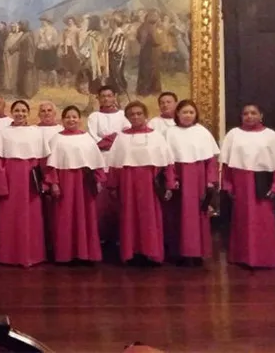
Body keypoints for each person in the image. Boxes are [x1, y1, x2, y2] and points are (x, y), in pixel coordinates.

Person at [220, 103, 275, 268]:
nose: (249, 116)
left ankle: (264, 258)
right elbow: (227, 165)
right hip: (240, 183)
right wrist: (228, 185)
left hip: (262, 182)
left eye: (253, 113)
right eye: (245, 113)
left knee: (263, 222)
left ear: (261, 115)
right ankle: (241, 257)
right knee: (241, 221)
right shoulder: (233, 135)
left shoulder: (271, 136)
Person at [105, 101, 174, 265]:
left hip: (151, 184)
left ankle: (151, 253)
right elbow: (115, 164)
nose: (135, 117)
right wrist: (113, 186)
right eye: (132, 114)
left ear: (145, 115)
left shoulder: (156, 136)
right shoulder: (121, 138)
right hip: (128, 183)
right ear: (127, 117)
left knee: (150, 218)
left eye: (139, 113)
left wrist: (170, 184)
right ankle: (131, 253)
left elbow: (167, 162)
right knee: (129, 217)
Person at [44, 105, 106, 264]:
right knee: (65, 217)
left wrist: (99, 180)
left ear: (79, 119)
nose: (71, 120)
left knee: (86, 217)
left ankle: (86, 254)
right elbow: (50, 165)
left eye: (74, 117)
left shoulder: (87, 138)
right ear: (62, 120)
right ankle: (65, 255)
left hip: (85, 182)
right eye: (68, 117)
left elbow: (97, 162)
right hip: (65, 182)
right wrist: (54, 183)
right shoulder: (56, 139)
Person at [0, 100, 48, 267]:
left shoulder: (36, 132)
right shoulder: (2, 133)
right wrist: (1, 185)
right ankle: (8, 256)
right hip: (10, 180)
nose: (20, 114)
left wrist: (45, 182)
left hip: (30, 180)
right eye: (17, 110)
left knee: (31, 218)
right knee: (9, 219)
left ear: (28, 113)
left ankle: (32, 255)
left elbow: (43, 160)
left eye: (23, 111)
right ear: (12, 112)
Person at [164, 100, 220, 265]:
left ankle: (197, 253)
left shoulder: (202, 132)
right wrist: (171, 179)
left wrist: (211, 181)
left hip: (198, 178)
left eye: (191, 112)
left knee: (198, 216)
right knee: (178, 216)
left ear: (196, 115)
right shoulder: (170, 133)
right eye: (184, 112)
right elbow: (168, 161)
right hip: (179, 178)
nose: (188, 116)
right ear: (177, 115)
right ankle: (180, 253)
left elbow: (210, 161)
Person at [86, 85, 130, 243]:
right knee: (102, 201)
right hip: (101, 159)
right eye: (103, 96)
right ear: (98, 98)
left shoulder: (123, 115)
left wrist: (112, 141)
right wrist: (110, 140)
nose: (106, 99)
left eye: (109, 95)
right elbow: (92, 137)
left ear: (114, 96)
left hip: (119, 161)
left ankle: (120, 236)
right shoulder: (94, 116)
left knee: (118, 198)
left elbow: (126, 134)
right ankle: (101, 236)